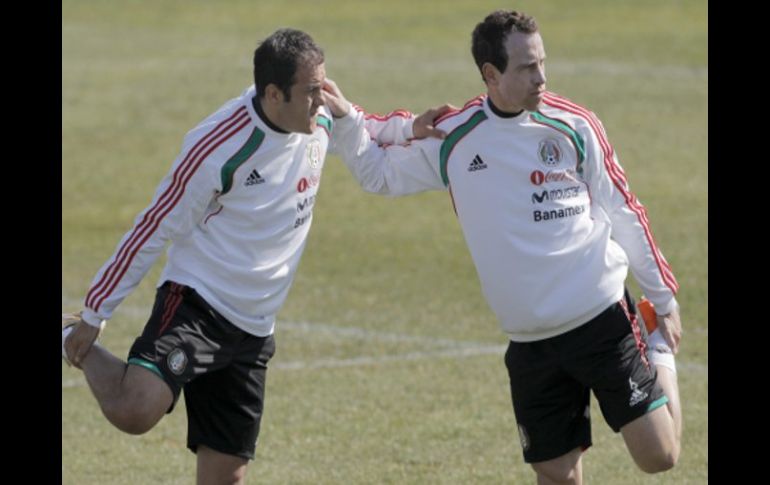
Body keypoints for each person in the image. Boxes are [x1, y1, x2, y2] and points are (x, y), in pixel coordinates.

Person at [62, 28, 449, 484]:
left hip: (255, 325)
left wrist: (407, 128)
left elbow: (359, 123)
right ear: (272, 93)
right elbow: (154, 225)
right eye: (310, 92)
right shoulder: (218, 146)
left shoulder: (318, 115)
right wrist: (94, 313)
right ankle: (67, 333)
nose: (321, 101)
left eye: (322, 87)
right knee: (135, 410)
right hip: (198, 301)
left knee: (226, 476)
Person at [322, 10, 682, 484]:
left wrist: (662, 298)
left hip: (600, 319)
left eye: (542, 62)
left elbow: (625, 212)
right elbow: (378, 173)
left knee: (659, 456)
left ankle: (656, 347)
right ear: (490, 75)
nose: (542, 77)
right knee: (557, 474)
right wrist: (347, 118)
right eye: (527, 68)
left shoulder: (575, 125)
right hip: (529, 340)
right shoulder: (455, 136)